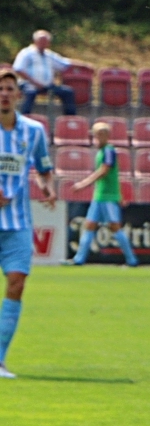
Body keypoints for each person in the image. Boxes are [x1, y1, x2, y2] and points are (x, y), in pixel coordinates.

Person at [0, 68, 57, 379]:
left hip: (18, 223)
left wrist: (48, 188)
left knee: (17, 284)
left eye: (9, 89)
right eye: (0, 89)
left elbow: (43, 166)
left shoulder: (33, 131)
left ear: (18, 95)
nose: (4, 94)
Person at [69, 122, 138, 267]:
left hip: (108, 197)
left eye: (102, 135)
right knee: (89, 226)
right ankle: (79, 259)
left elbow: (104, 171)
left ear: (107, 136)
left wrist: (83, 184)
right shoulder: (101, 152)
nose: (98, 138)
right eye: (97, 135)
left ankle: (132, 260)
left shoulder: (109, 151)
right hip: (99, 196)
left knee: (115, 227)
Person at [13, 30, 91, 116]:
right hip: (29, 84)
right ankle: (24, 117)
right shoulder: (26, 53)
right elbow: (18, 69)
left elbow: (65, 63)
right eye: (41, 40)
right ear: (35, 41)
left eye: (45, 41)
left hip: (47, 85)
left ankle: (70, 119)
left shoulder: (49, 55)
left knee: (67, 92)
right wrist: (35, 82)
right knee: (30, 93)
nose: (43, 43)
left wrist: (85, 65)